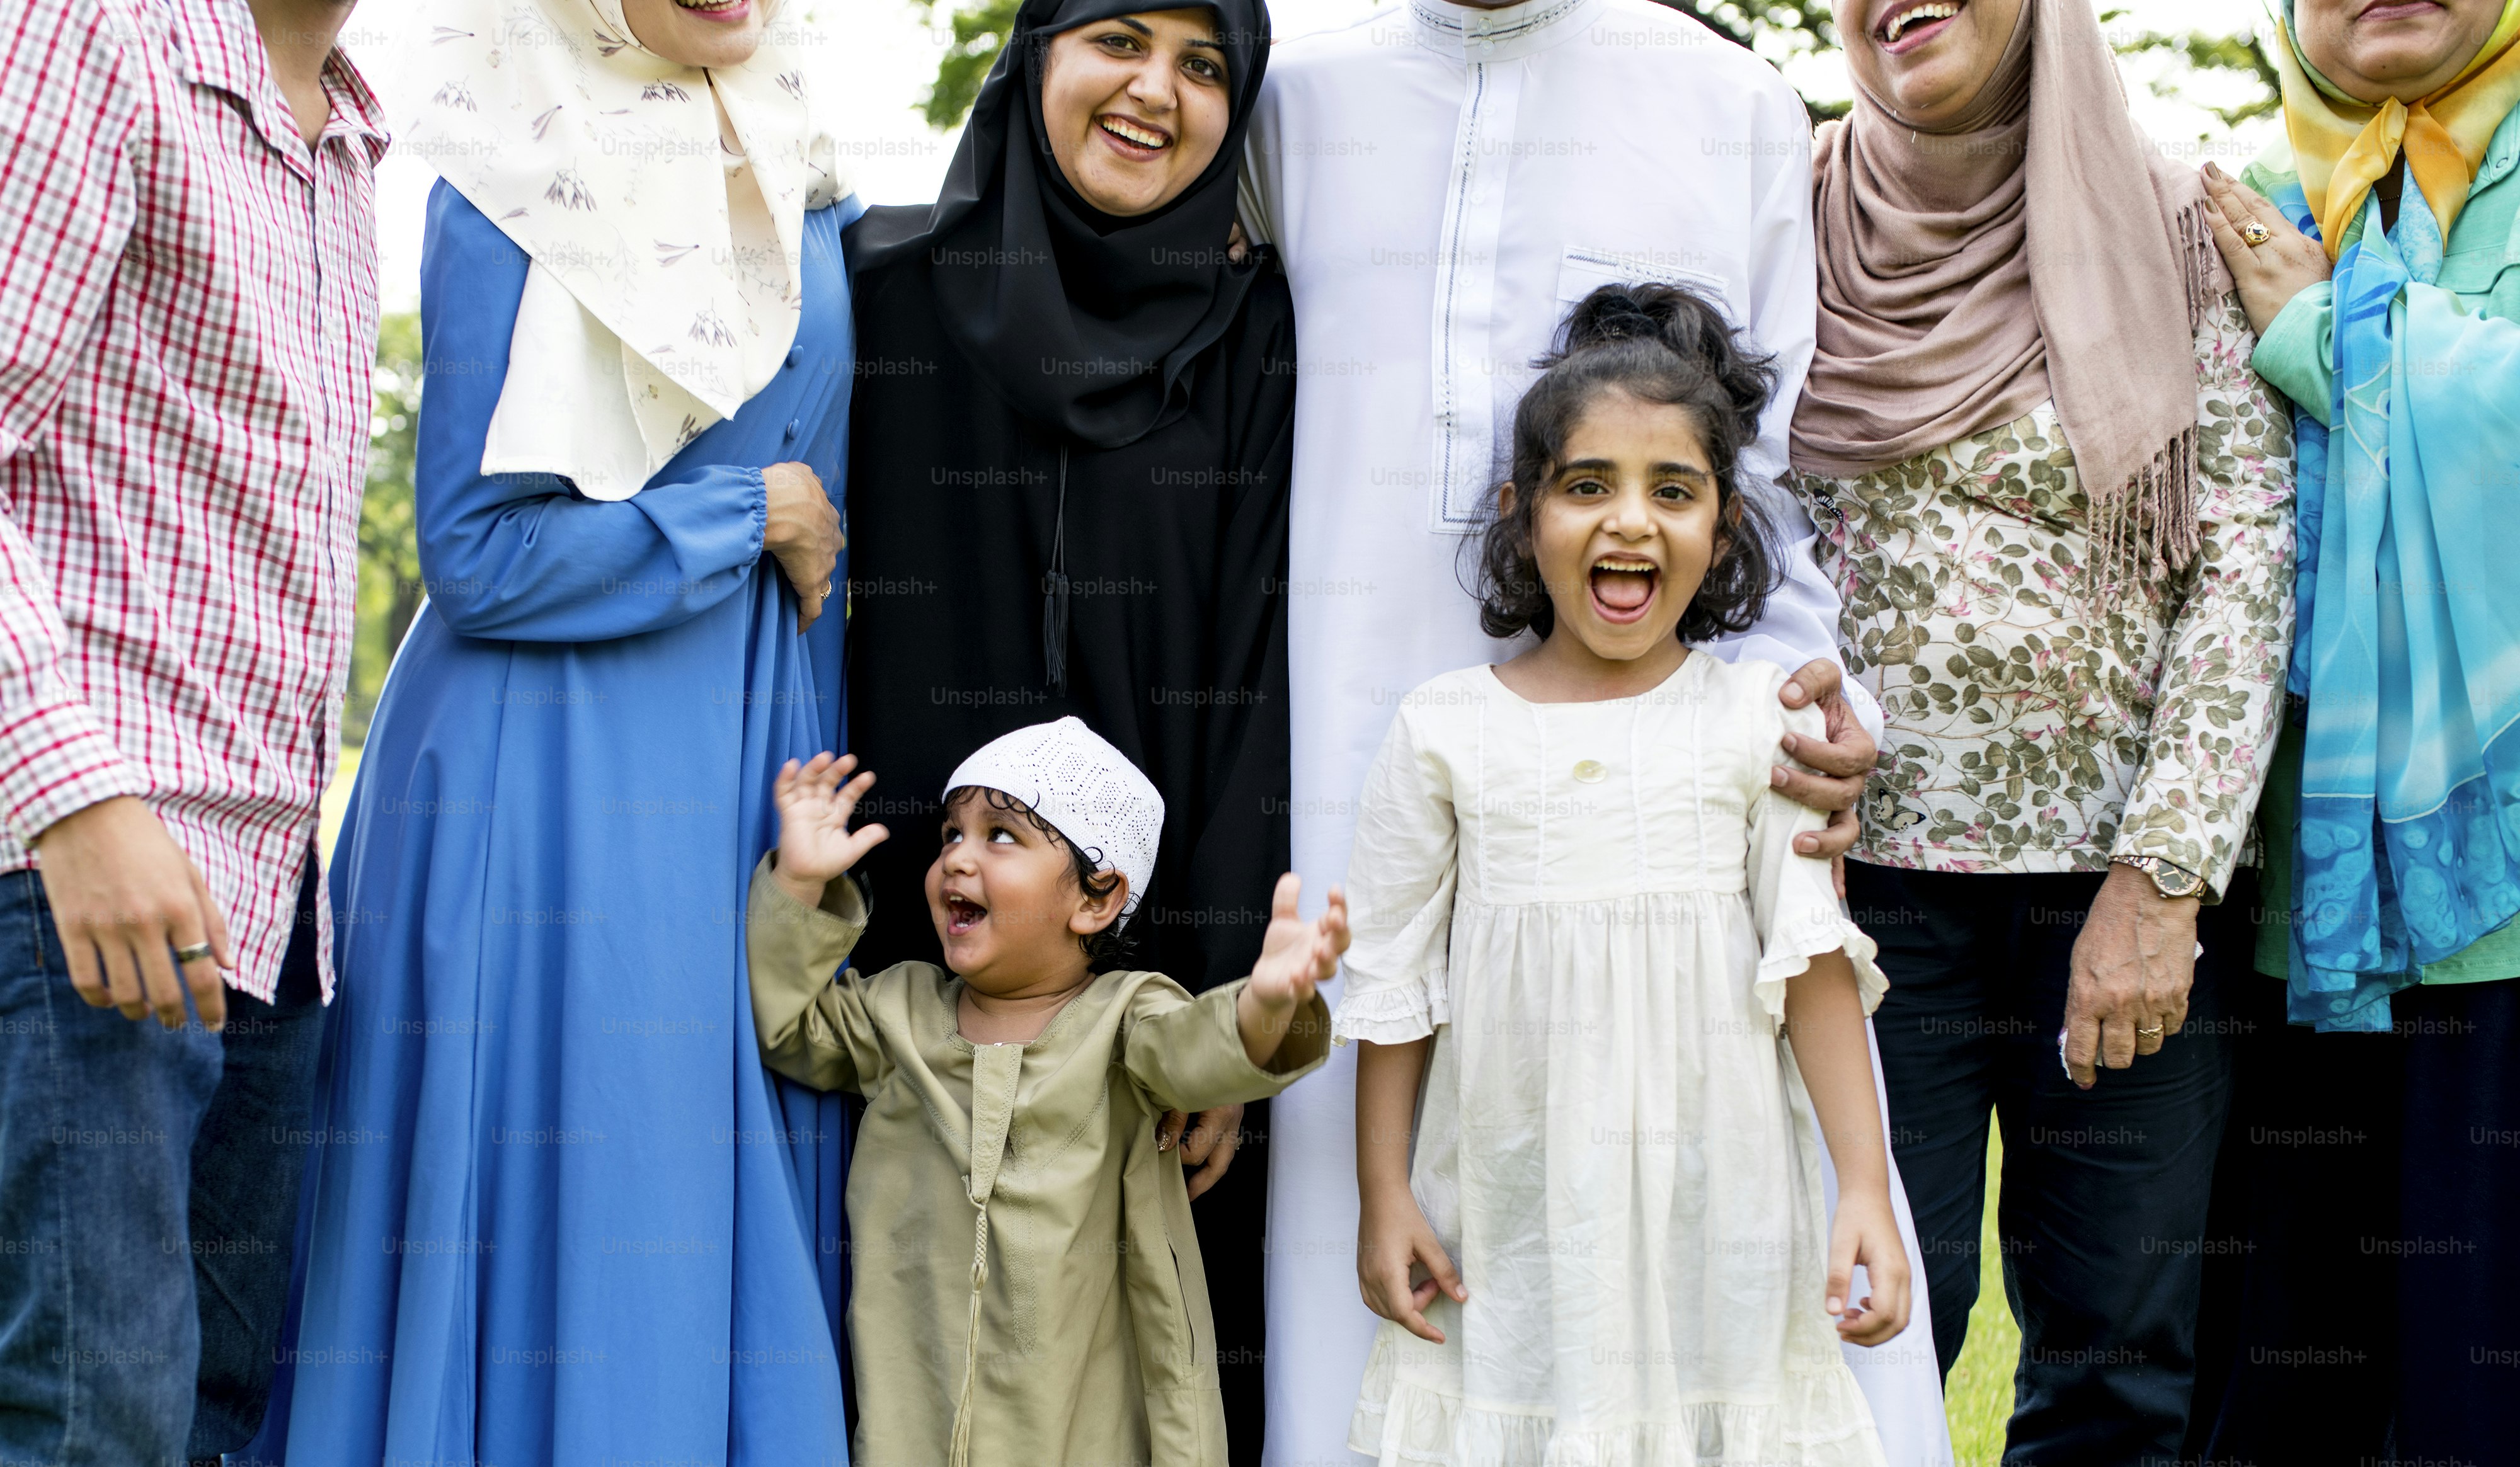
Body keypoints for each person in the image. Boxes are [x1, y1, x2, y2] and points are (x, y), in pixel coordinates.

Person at [1237, 2, 1952, 1459]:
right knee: (1419, 1306)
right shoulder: (1288, 97)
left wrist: (1813, 705)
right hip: (1347, 750)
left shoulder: (1730, 99)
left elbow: (1782, 468)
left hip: (1693, 797)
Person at [243, 1, 860, 1461]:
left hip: (745, 755)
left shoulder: (805, 163)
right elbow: (476, 555)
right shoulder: (503, 170)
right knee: (592, 1196)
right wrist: (745, 510)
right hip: (542, 777)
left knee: (715, 1180)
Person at [1785, 0, 2297, 1457]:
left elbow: (2244, 560)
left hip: (2116, 889)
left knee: (2113, 1359)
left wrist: (2161, 879)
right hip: (1850, 901)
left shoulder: (2175, 216)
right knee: (1861, 1324)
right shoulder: (1784, 212)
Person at [1337, 284, 1909, 1466]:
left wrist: (1866, 1186)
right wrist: (1383, 1193)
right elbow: (1395, 989)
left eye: (1674, 491)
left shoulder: (1760, 719)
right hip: (1514, 1216)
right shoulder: (1444, 727)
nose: (1630, 523)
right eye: (1587, 484)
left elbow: (1812, 970)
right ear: (1521, 512)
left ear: (1726, 528)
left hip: (1724, 1207)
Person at [842, 0, 1295, 1444]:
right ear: (1035, 53)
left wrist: (1219, 1006)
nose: (1156, 91)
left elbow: (1251, 661)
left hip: (1146, 1022)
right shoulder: (884, 292)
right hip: (921, 971)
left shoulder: (1246, 330)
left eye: (1205, 64)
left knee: (1154, 1378)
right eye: (1117, 38)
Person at [0, 1, 384, 1463]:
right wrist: (73, 800)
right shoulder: (91, 30)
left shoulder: (352, 133)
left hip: (272, 915)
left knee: (209, 1424)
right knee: (92, 1423)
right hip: (82, 880)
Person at [2181, 0, 2520, 1457]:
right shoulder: (2227, 198)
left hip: (2502, 926)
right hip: (2285, 921)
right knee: (2272, 1400)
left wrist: (2321, 329)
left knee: (2478, 1395)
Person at [744, 719, 1341, 1467]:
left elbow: (1198, 1055)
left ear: (1096, 899)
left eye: (1000, 835)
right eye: (949, 833)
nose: (957, 857)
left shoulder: (1127, 1018)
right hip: (909, 1427)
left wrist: (1267, 1004)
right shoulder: (895, 1012)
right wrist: (799, 883)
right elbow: (788, 1027)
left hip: (1082, 1429)